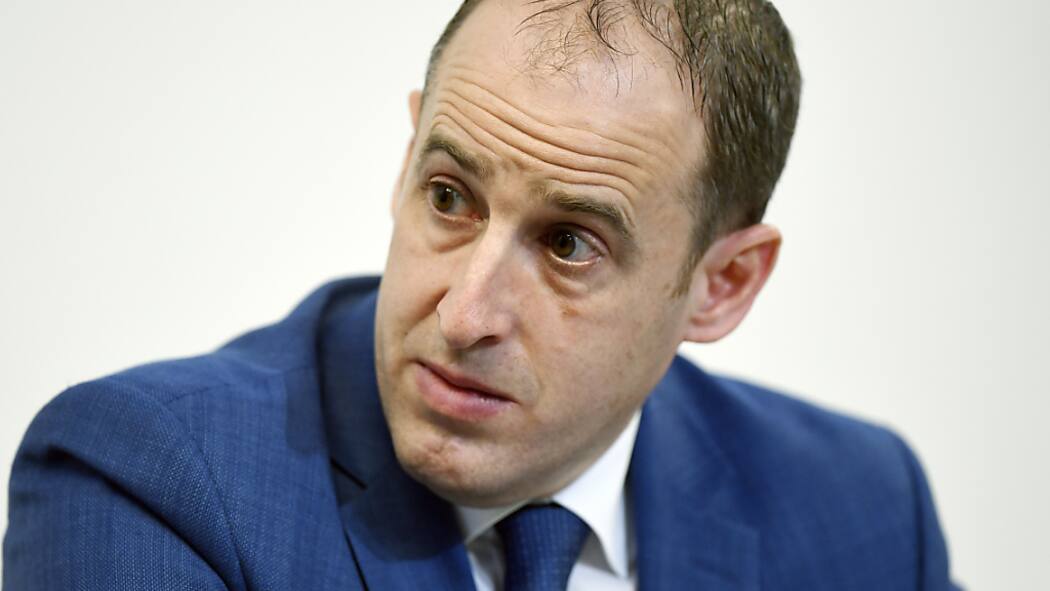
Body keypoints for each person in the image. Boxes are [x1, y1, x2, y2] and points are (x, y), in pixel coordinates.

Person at [4, 0, 962, 589]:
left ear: (722, 284)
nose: (463, 316)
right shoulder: (152, 483)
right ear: (407, 159)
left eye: (569, 244)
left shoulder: (863, 511)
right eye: (450, 196)